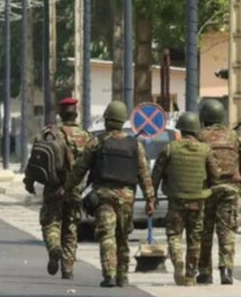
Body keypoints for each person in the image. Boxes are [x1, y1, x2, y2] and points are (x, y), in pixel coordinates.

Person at [61, 101, 156, 288]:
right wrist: (149, 199)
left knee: (107, 236)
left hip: (103, 196)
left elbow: (80, 169)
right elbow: (144, 174)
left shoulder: (97, 142)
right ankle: (122, 275)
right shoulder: (134, 145)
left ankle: (109, 275)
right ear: (122, 121)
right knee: (122, 236)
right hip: (127, 197)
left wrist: (69, 189)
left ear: (106, 120)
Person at [23, 97, 91, 279]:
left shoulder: (49, 134)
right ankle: (68, 268)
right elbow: (94, 163)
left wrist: (28, 181)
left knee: (50, 222)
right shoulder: (86, 136)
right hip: (75, 190)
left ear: (60, 114)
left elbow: (35, 159)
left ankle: (54, 247)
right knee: (70, 228)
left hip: (53, 187)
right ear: (76, 113)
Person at [151, 111, 219, 286]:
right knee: (195, 238)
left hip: (176, 200)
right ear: (196, 130)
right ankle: (190, 275)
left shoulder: (170, 148)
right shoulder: (206, 150)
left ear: (180, 130)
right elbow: (215, 175)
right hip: (198, 200)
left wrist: (151, 197)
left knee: (174, 234)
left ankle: (177, 259)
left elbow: (156, 174)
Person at [197, 99, 241, 285]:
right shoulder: (233, 136)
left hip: (206, 189)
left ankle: (205, 272)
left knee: (205, 232)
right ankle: (226, 271)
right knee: (227, 232)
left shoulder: (200, 136)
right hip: (231, 189)